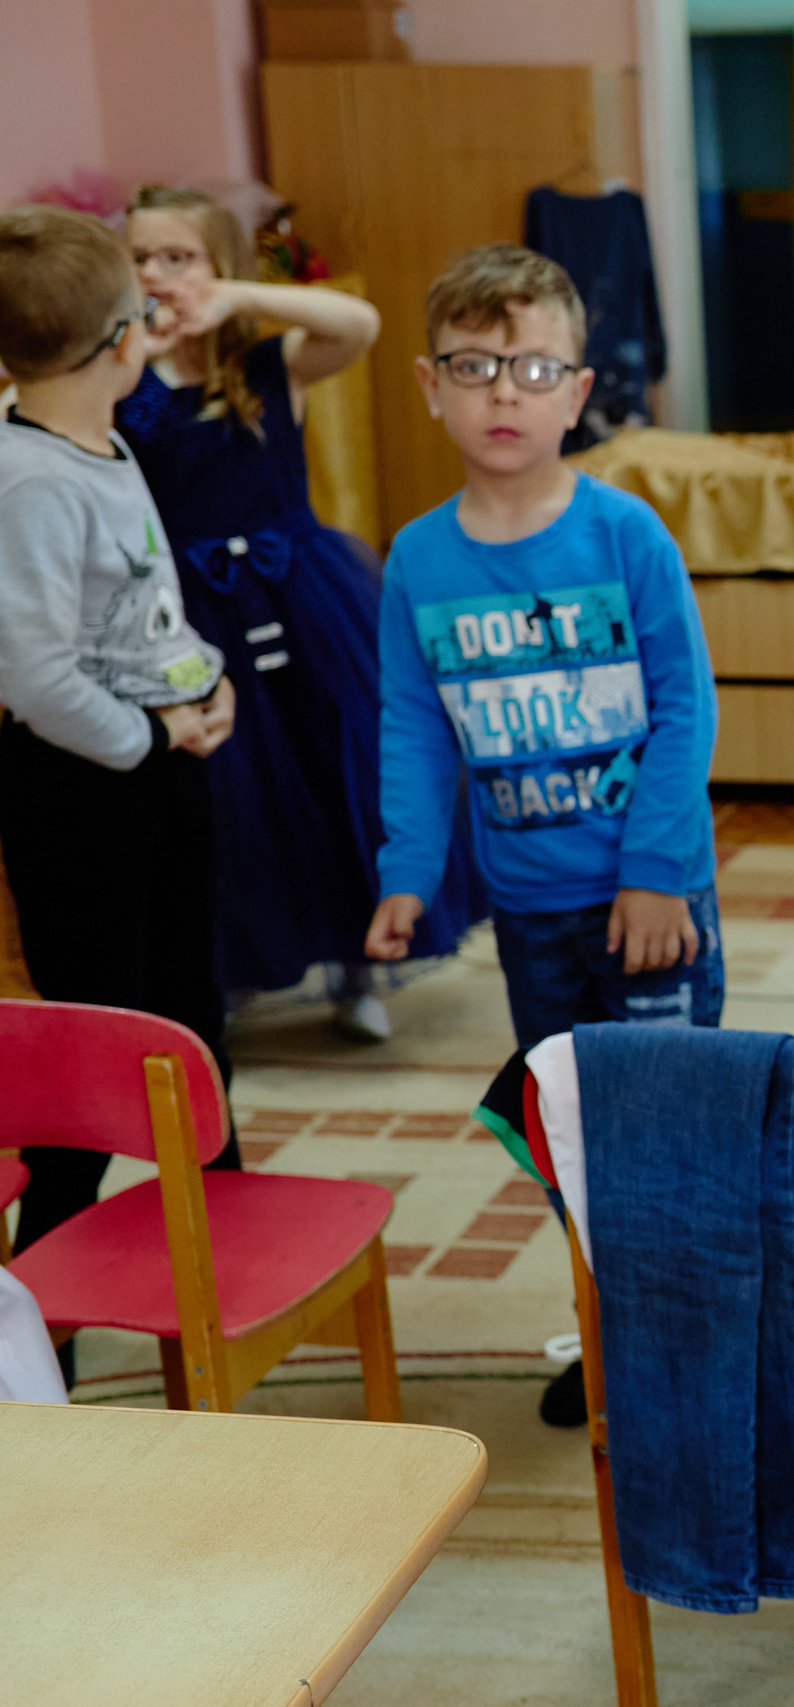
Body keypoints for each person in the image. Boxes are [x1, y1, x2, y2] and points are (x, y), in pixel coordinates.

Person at [363, 244, 721, 1428]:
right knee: (568, 1140)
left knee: (670, 1138)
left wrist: (659, 873)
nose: (503, 392)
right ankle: (620, 1331)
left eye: (531, 367)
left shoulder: (624, 537)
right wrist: (408, 873)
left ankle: (700, 1348)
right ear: (429, 384)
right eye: (474, 366)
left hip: (648, 904)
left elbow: (684, 708)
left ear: (577, 391)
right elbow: (411, 726)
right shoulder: (418, 558)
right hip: (530, 914)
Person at [118, 185, 482, 1038]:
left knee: (338, 773)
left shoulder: (268, 364)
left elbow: (357, 324)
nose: (157, 274)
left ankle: (363, 965)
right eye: (139, 259)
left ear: (221, 268)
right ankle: (243, 962)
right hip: (193, 614)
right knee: (232, 794)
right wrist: (141, 345)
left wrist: (240, 302)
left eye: (178, 258)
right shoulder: (129, 377)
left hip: (302, 598)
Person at [0, 206, 241, 1356]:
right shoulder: (30, 482)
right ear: (124, 339)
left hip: (157, 768)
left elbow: (142, 609)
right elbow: (37, 673)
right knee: (100, 1061)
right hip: (84, 793)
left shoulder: (102, 440)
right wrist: (148, 739)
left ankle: (226, 1254)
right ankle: (39, 1322)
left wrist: (209, 679)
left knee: (195, 1017)